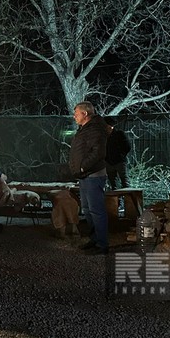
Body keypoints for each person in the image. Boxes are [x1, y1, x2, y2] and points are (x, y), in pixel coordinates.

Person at [69, 101, 109, 255]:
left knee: (96, 210)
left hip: (93, 175)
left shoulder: (95, 129)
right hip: (84, 176)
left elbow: (98, 152)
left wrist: (82, 166)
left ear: (85, 114)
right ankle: (94, 239)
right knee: (87, 209)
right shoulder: (84, 129)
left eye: (76, 113)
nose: (74, 116)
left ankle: (102, 243)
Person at [104, 116, 131, 190]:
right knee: (113, 184)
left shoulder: (119, 134)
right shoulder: (104, 137)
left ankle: (127, 200)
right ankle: (117, 201)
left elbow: (127, 147)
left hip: (119, 161)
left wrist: (121, 155)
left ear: (109, 126)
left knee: (124, 181)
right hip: (109, 162)